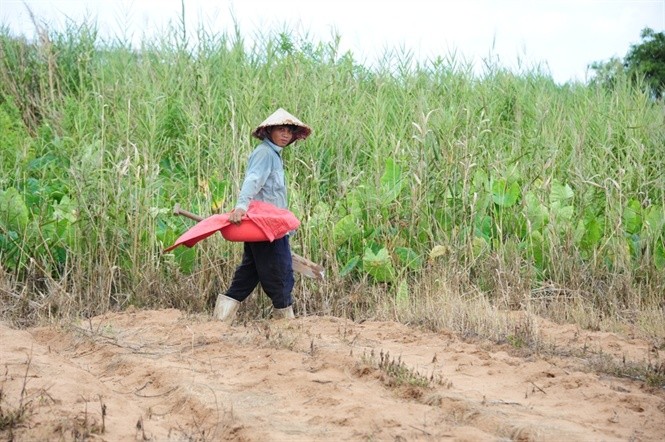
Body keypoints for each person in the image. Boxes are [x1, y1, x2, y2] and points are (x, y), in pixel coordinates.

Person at [213, 108, 312, 324]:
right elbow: (253, 180)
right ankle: (285, 326)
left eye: (289, 131)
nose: (286, 135)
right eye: (281, 130)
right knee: (281, 273)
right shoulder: (265, 154)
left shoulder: (273, 155)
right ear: (269, 132)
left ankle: (220, 321)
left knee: (249, 273)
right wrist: (241, 206)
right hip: (266, 226)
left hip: (267, 225)